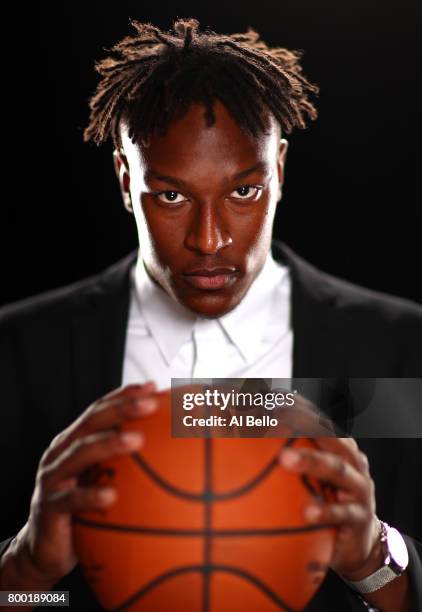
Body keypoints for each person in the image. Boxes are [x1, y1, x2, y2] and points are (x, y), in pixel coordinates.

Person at [1, 17, 421, 611]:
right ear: (126, 179)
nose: (210, 240)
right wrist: (24, 572)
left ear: (277, 169)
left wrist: (378, 563)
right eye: (171, 195)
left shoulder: (400, 350)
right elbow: (30, 606)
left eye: (243, 191)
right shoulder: (18, 354)